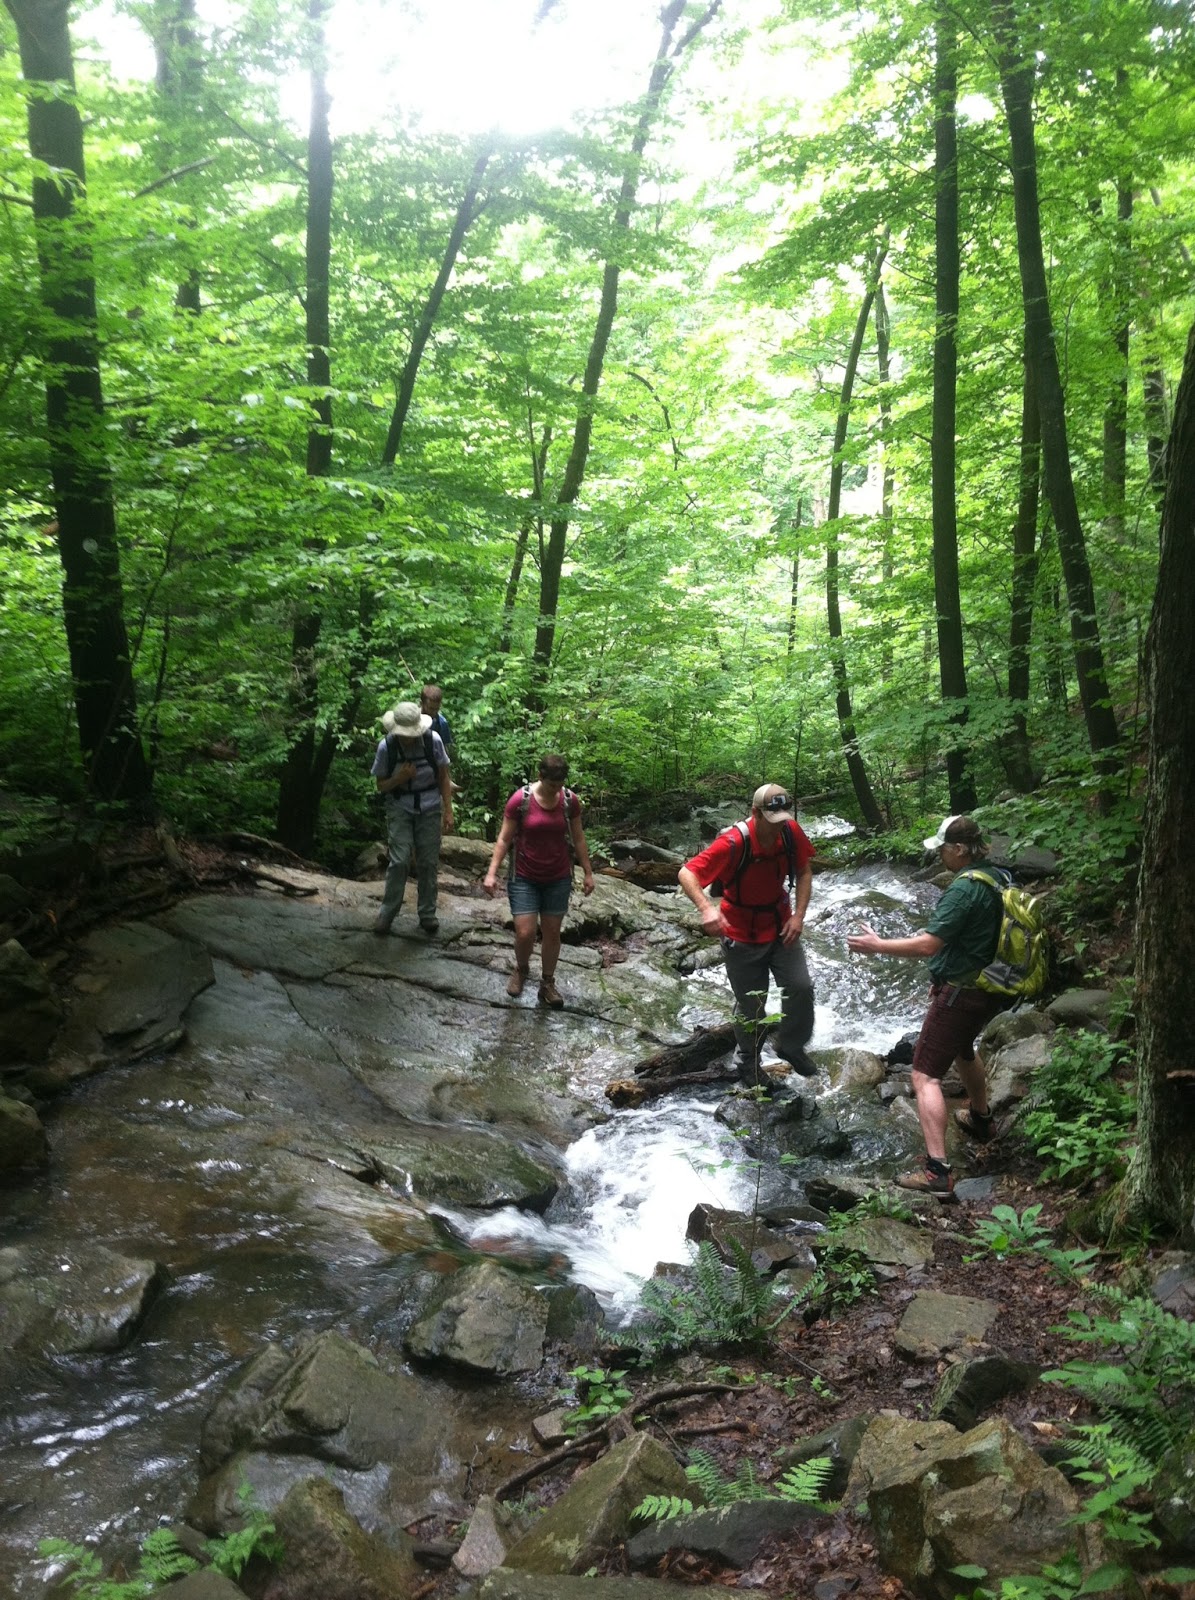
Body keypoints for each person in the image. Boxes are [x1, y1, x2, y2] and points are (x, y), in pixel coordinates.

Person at [847, 814, 1007, 1195]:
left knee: (924, 1075)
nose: (940, 857)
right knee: (964, 1050)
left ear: (959, 849)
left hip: (959, 991)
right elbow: (951, 932)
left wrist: (878, 946)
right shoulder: (994, 877)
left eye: (943, 850)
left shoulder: (964, 889)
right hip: (987, 986)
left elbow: (928, 946)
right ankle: (982, 1119)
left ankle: (937, 1172)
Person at [678, 784, 817, 1086]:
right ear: (755, 813)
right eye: (772, 817)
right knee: (752, 1006)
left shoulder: (790, 831)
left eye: (783, 816)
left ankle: (791, 1044)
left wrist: (799, 916)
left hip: (781, 928)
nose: (779, 823)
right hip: (741, 935)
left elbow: (805, 871)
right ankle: (748, 1061)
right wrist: (706, 908)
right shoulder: (733, 842)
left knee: (801, 987)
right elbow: (687, 873)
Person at [483, 755, 595, 1008]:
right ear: (541, 777)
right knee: (525, 932)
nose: (556, 790)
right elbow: (503, 839)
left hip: (558, 877)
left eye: (560, 784)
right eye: (551, 784)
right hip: (524, 876)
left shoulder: (569, 802)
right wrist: (491, 873)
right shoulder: (520, 800)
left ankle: (547, 983)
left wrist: (588, 872)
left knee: (552, 932)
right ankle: (521, 969)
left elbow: (578, 838)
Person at [371, 700, 454, 936]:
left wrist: (448, 810)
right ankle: (387, 913)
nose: (407, 737)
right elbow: (381, 786)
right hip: (400, 805)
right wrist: (400, 778)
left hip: (429, 806)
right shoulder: (386, 747)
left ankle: (427, 914)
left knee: (428, 862)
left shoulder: (433, 741)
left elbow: (443, 776)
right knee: (400, 860)